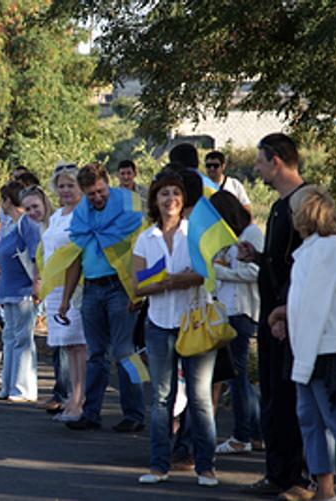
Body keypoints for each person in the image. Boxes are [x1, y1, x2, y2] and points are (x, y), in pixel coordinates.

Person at [131, 172, 218, 487]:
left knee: (199, 397)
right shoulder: (145, 238)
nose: (170, 200)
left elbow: (205, 272)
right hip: (158, 324)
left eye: (176, 194)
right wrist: (171, 280)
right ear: (155, 200)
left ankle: (205, 466)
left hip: (194, 323)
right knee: (161, 398)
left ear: (184, 201)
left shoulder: (193, 233)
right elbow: (137, 286)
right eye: (164, 194)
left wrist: (169, 281)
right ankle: (158, 465)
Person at [237, 133, 311, 500]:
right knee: (273, 397)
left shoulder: (306, 203)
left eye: (261, 161)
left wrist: (285, 311)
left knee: (293, 400)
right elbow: (281, 262)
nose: (257, 168)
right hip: (272, 316)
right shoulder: (282, 205)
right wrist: (258, 257)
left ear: (277, 161)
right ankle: (278, 473)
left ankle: (302, 479)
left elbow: (308, 266)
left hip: (292, 318)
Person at [274, 186, 336, 501]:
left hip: (326, 351)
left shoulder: (330, 249)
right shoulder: (314, 249)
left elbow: (314, 305)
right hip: (308, 349)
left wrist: (285, 316)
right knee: (312, 423)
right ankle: (325, 490)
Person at [59, 163, 146, 432]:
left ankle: (136, 413)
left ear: (108, 183)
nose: (97, 198)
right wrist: (65, 299)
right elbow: (75, 257)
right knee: (95, 354)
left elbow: (140, 248)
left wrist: (137, 290)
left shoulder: (129, 205)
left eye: (101, 191)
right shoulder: (81, 215)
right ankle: (91, 412)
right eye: (91, 194)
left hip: (121, 287)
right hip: (93, 288)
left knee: (125, 352)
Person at [208, 191, 264, 455]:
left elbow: (255, 271)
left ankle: (242, 434)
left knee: (238, 376)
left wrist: (220, 271)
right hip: (227, 309)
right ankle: (256, 432)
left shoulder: (250, 235)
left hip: (242, 311)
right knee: (237, 377)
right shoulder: (227, 238)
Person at [39, 164, 87, 420]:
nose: (66, 190)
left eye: (71, 185)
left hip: (75, 286)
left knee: (79, 345)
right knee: (67, 346)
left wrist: (68, 295)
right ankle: (71, 396)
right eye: (62, 186)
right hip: (54, 286)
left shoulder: (82, 214)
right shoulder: (57, 215)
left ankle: (80, 400)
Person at [0, 181, 41, 403]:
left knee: (23, 338)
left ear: (7, 200)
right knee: (9, 337)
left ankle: (23, 388)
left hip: (23, 288)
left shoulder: (26, 224)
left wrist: (37, 283)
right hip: (8, 287)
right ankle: (8, 385)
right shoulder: (11, 224)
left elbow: (36, 253)